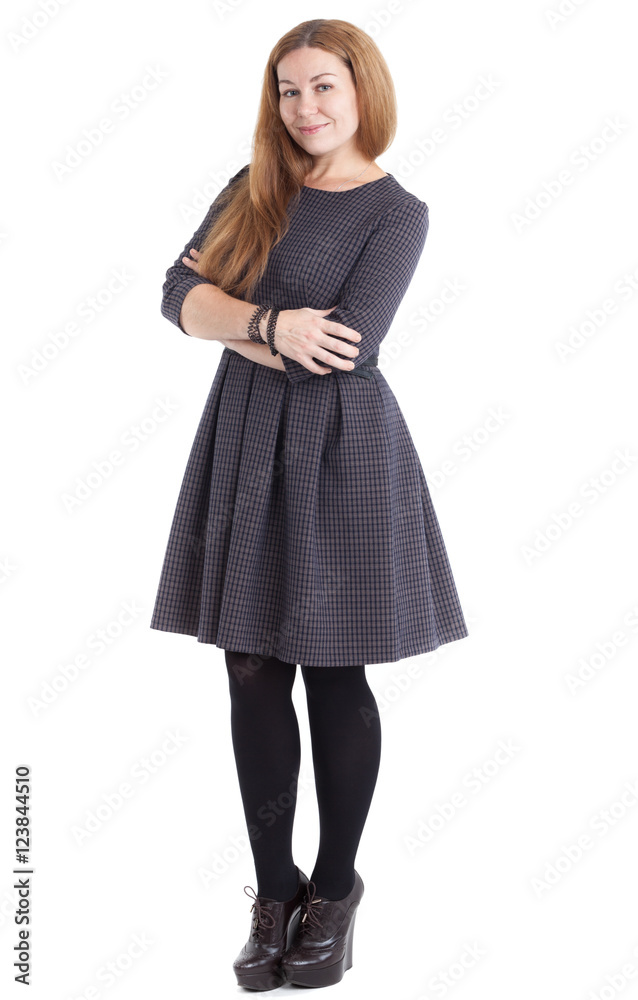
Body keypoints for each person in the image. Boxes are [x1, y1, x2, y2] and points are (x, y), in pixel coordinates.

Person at [150, 17, 469, 991]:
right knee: (250, 663)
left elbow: (346, 346)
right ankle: (273, 887)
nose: (305, 107)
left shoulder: (396, 211)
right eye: (289, 90)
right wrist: (267, 324)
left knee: (330, 667)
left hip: (340, 449)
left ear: (361, 88)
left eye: (323, 86)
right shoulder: (253, 187)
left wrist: (237, 322)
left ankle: (334, 889)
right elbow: (174, 293)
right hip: (245, 436)